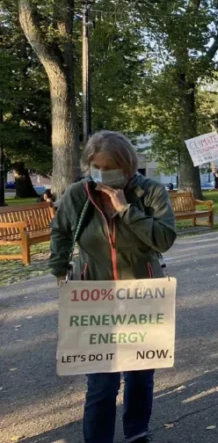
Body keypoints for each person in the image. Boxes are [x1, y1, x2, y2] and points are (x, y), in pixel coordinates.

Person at [49, 131, 176, 443]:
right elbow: (61, 231)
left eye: (111, 167)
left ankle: (137, 433)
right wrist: (59, 269)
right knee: (102, 383)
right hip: (94, 297)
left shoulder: (150, 192)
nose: (103, 173)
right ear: (88, 165)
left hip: (142, 292)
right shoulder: (79, 194)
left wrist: (125, 210)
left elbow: (164, 239)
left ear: (128, 165)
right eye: (97, 166)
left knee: (140, 375)